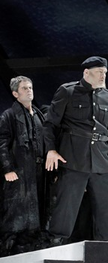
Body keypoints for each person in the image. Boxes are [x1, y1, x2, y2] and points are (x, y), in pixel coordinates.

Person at [44, 56, 108, 245]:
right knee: (66, 207)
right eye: (99, 72)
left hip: (102, 160)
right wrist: (51, 150)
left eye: (105, 73)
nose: (103, 76)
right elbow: (50, 124)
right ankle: (55, 243)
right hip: (73, 157)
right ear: (86, 72)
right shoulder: (68, 91)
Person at [0, 76, 47, 256]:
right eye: (25, 88)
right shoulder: (9, 115)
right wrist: (8, 168)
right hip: (19, 173)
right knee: (15, 220)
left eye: (30, 87)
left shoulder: (38, 115)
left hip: (37, 173)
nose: (29, 90)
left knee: (35, 220)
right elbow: (2, 142)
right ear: (15, 93)